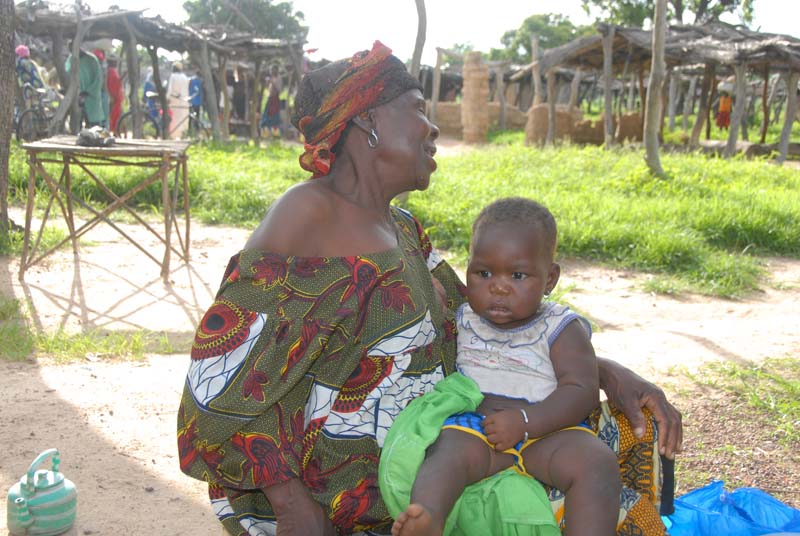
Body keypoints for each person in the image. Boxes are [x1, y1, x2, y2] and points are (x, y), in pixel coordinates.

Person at [176, 41, 682, 536]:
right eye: (418, 109)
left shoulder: (401, 227)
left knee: (605, 448)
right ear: (367, 119)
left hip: (447, 456)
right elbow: (216, 386)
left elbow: (487, 323)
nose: (434, 126)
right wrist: (291, 504)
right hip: (344, 500)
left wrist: (603, 372)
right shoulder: (309, 214)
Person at [390, 197, 620, 536]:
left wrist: (527, 422)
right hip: (478, 429)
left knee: (597, 463)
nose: (498, 286)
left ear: (550, 278)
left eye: (518, 275)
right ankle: (428, 517)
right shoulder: (464, 317)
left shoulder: (560, 326)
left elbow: (581, 390)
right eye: (483, 273)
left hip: (547, 430)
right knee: (445, 454)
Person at [65, 48, 105, 128]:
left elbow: (98, 79)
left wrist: (88, 92)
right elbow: (67, 75)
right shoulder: (70, 60)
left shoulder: (92, 60)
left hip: (91, 97)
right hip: (76, 96)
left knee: (94, 127)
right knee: (76, 124)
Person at [167, 61, 190, 139]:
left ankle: (173, 136)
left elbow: (170, 90)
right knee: (183, 119)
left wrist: (167, 99)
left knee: (174, 119)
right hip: (184, 102)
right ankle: (183, 135)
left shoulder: (173, 76)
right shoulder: (185, 77)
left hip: (174, 101)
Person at [259, 63, 283, 138]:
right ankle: (266, 133)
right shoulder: (270, 78)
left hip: (275, 99)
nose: (272, 72)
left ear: (276, 70)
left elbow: (279, 90)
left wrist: (272, 82)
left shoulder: (279, 78)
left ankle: (276, 134)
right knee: (266, 116)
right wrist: (268, 82)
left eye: (273, 70)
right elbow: (267, 88)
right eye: (271, 70)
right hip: (270, 98)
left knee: (275, 116)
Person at [106, 55, 124, 133]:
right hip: (114, 97)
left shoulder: (112, 71)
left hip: (116, 96)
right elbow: (113, 83)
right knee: (114, 116)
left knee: (116, 115)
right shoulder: (111, 71)